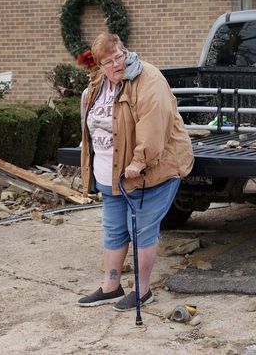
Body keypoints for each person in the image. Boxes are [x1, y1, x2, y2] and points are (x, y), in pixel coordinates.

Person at [77, 32, 194, 311]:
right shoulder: (97, 84)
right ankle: (111, 286)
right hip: (111, 174)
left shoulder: (148, 78)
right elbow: (91, 124)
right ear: (99, 65)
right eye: (108, 62)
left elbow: (154, 124)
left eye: (119, 57)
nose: (116, 65)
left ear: (125, 52)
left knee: (141, 229)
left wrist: (139, 161)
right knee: (114, 230)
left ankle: (142, 292)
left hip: (150, 172)